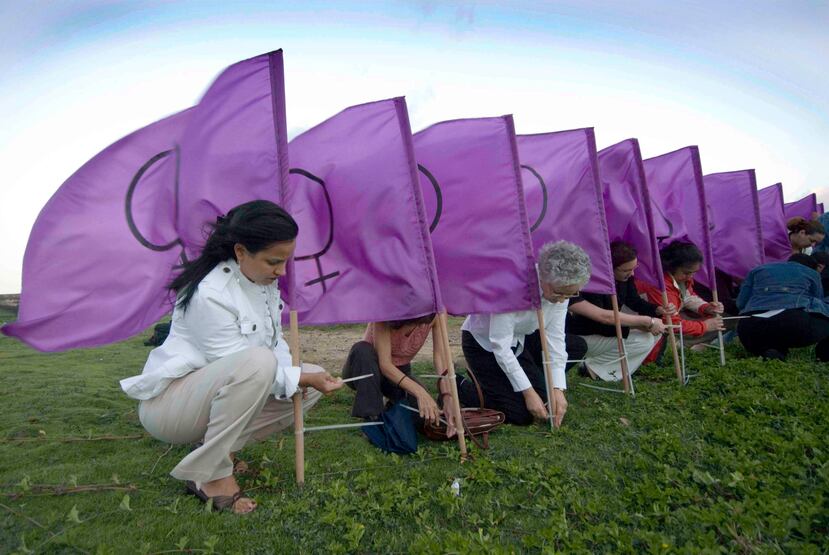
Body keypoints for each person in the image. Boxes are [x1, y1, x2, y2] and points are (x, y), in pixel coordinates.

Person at [120, 200, 343, 514]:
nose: (282, 271)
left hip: (213, 395)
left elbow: (274, 344)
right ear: (241, 252)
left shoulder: (262, 283)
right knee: (268, 368)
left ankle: (219, 452)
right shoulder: (209, 294)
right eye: (273, 262)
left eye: (285, 261)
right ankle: (210, 477)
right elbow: (247, 363)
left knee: (303, 383)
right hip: (170, 407)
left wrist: (301, 376)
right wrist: (298, 376)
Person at [458, 241, 590, 427]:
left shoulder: (562, 290)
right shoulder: (511, 287)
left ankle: (508, 382)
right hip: (483, 344)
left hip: (519, 342)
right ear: (544, 278)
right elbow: (500, 347)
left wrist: (557, 388)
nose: (562, 301)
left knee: (545, 400)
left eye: (569, 295)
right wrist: (527, 392)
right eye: (560, 294)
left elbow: (555, 339)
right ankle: (459, 386)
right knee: (520, 414)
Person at [566, 241, 669, 381]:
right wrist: (641, 324)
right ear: (610, 268)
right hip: (586, 334)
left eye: (634, 268)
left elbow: (633, 300)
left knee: (655, 333)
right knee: (643, 339)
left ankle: (607, 369)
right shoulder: (593, 286)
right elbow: (601, 321)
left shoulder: (624, 279)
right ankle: (594, 369)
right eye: (626, 270)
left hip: (606, 328)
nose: (632, 273)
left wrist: (656, 310)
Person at [341, 314, 450, 432]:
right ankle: (371, 417)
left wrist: (448, 398)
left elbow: (441, 358)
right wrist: (420, 392)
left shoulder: (438, 312)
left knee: (424, 417)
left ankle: (391, 405)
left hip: (398, 373)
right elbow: (385, 365)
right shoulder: (384, 312)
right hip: (366, 368)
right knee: (362, 350)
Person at [637, 241, 724, 362]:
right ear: (671, 266)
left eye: (694, 273)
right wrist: (704, 326)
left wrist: (705, 307)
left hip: (661, 327)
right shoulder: (658, 284)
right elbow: (671, 323)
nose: (690, 277)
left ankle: (679, 344)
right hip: (644, 331)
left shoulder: (680, 278)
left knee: (721, 320)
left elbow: (687, 296)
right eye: (687, 273)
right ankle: (677, 345)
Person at [736, 253, 829, 361]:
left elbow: (740, 303)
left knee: (770, 341)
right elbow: (817, 303)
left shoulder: (757, 270)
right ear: (812, 267)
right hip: (791, 322)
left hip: (749, 328)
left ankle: (773, 354)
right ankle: (824, 357)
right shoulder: (812, 273)